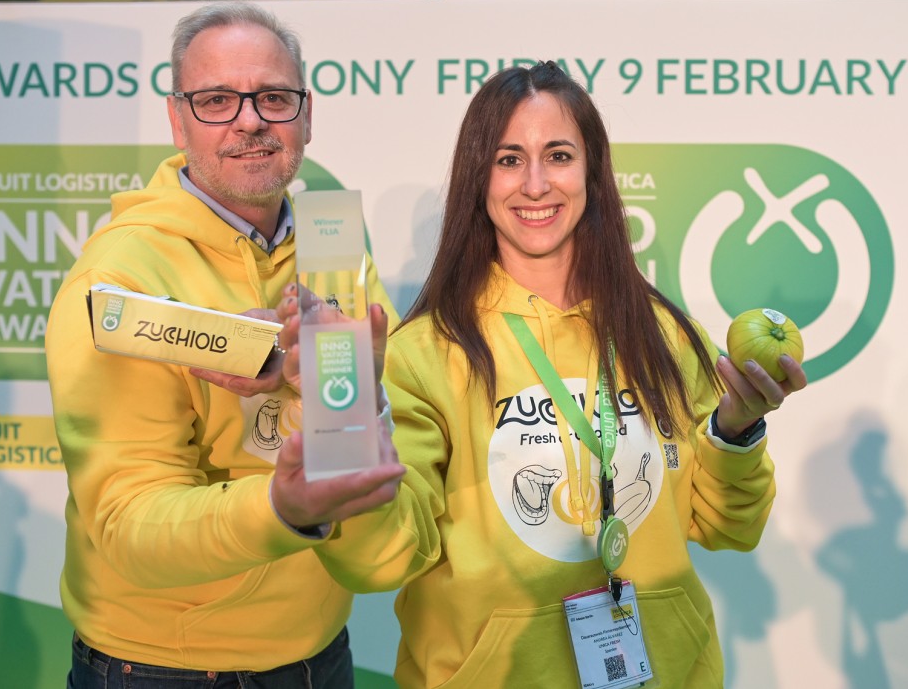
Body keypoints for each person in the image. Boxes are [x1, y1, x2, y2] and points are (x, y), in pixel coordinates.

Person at [282, 61, 807, 688]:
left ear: (592, 172)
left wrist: (736, 428)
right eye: (508, 159)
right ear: (480, 178)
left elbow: (727, 526)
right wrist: (337, 419)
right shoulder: (426, 352)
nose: (535, 184)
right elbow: (381, 558)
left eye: (557, 155)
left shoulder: (660, 333)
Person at [45, 2, 405, 688]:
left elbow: (361, 444)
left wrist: (349, 389)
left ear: (306, 113)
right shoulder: (119, 277)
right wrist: (282, 508)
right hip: (164, 669)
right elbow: (128, 526)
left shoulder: (332, 244)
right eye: (217, 100)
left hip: (320, 652)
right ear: (178, 119)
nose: (250, 119)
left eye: (274, 96)